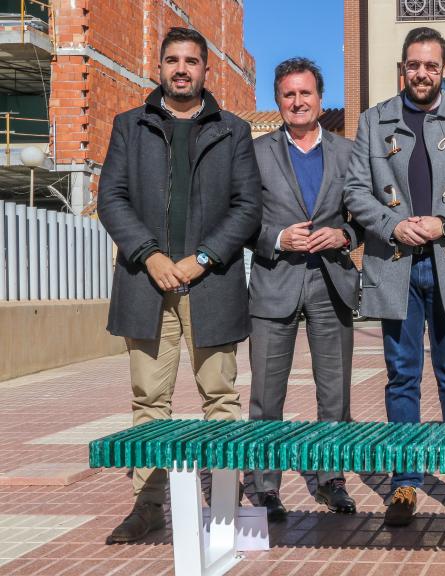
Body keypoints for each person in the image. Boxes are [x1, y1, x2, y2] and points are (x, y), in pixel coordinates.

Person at [97, 27, 261, 543]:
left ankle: (228, 509)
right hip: (147, 286)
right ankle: (148, 506)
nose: (182, 69)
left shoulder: (233, 130)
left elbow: (247, 207)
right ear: (159, 67)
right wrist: (151, 256)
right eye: (173, 60)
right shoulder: (130, 125)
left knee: (221, 397)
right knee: (149, 399)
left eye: (192, 61)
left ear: (206, 71)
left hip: (211, 283)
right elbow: (112, 200)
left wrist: (202, 259)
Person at [343, 27, 445, 528]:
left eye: (432, 65)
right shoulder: (374, 121)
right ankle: (405, 483)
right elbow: (355, 191)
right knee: (402, 376)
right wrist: (393, 225)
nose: (422, 73)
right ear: (403, 68)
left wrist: (443, 222)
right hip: (395, 264)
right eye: (414, 65)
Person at [248, 58, 362, 521]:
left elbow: (362, 217)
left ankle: (331, 479)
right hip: (276, 280)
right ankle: (265, 486)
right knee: (266, 394)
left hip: (331, 280)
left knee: (334, 393)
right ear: (278, 101)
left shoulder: (348, 152)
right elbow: (241, 218)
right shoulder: (256, 154)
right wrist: (277, 237)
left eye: (306, 94)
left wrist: (345, 237)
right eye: (288, 95)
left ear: (319, 98)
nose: (298, 102)